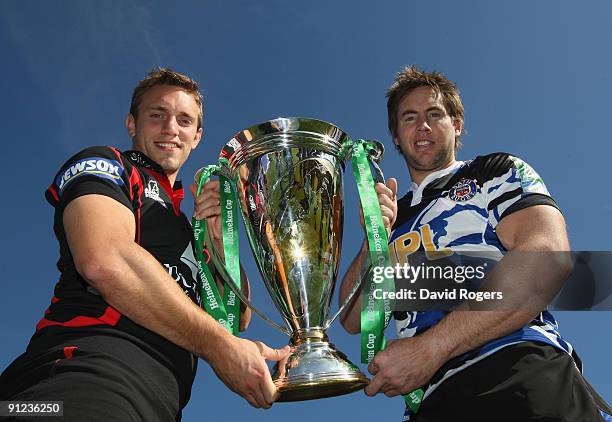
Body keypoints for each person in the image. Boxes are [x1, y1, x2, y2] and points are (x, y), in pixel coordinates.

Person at [0, 68, 289, 420]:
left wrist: (218, 242)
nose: (171, 128)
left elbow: (237, 317)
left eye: (185, 121)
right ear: (132, 125)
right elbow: (104, 260)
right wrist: (221, 348)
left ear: (197, 137)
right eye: (157, 115)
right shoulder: (110, 164)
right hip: (80, 378)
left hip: (160, 401)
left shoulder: (189, 223)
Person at [339, 65, 612, 421]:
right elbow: (352, 317)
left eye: (434, 114)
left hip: (515, 369)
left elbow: (548, 258)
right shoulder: (395, 216)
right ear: (395, 136)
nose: (422, 126)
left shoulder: (494, 171)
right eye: (410, 118)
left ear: (457, 125)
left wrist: (430, 349)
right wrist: (374, 238)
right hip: (429, 399)